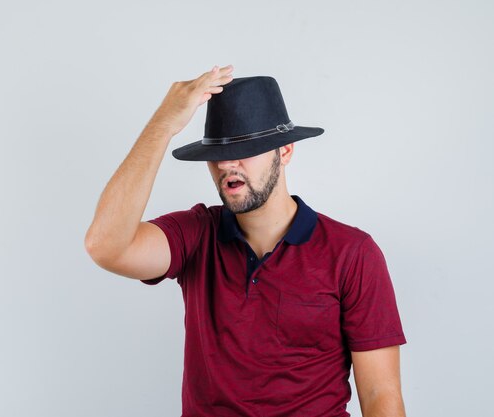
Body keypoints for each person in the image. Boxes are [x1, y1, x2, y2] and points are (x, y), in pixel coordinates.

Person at [85, 65, 407, 417]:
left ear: (284, 152)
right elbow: (106, 245)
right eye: (218, 154)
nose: (226, 165)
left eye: (245, 149)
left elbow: (380, 395)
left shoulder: (352, 253)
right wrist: (163, 125)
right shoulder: (195, 235)